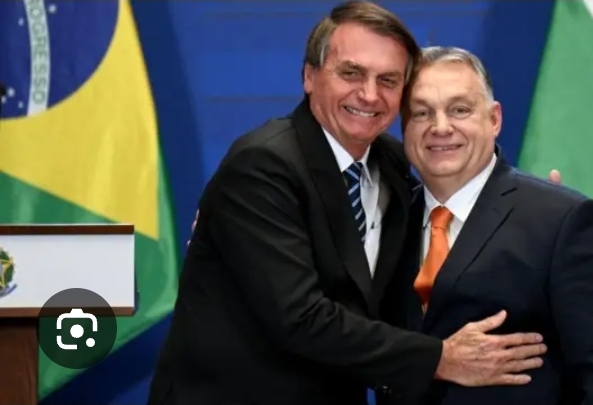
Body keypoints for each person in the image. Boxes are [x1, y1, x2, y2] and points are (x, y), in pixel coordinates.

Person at [148, 3, 562, 405]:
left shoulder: (391, 163)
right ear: (309, 76)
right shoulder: (262, 166)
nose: (369, 94)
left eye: (388, 80)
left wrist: (526, 209)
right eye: (351, 73)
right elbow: (300, 318)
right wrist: (440, 359)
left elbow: (433, 239)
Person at [378, 46, 593, 405]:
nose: (440, 127)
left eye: (459, 110)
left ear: (494, 119)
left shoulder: (562, 220)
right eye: (422, 113)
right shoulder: (388, 221)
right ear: (404, 127)